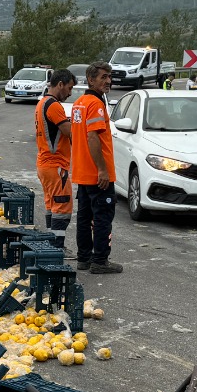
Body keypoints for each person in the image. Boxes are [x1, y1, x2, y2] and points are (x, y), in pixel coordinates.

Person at [71, 62, 121, 274]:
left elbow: (77, 137)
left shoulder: (79, 103)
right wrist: (102, 169)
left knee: (84, 217)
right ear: (90, 80)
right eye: (103, 77)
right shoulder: (96, 104)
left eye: (109, 77)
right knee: (102, 217)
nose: (108, 81)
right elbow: (92, 137)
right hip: (97, 174)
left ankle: (84, 258)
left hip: (82, 172)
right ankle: (100, 260)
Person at [33, 67, 76, 243]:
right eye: (69, 88)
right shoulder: (54, 105)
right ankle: (58, 247)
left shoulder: (42, 103)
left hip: (45, 165)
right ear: (60, 84)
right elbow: (69, 132)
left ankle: (51, 245)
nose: (70, 93)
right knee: (63, 207)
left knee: (52, 207)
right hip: (56, 165)